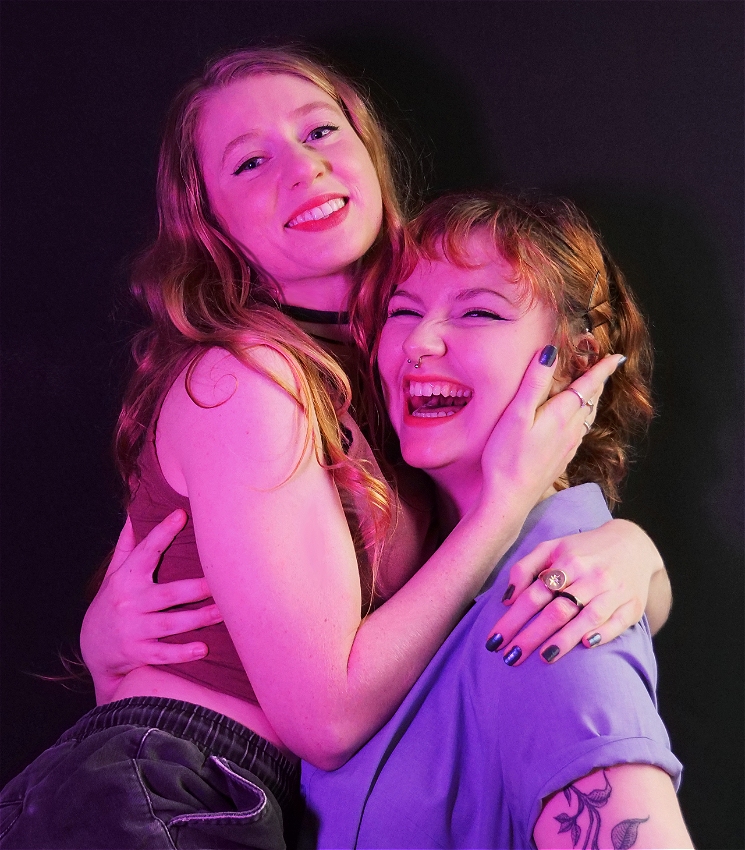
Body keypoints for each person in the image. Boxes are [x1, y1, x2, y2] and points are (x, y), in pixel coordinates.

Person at [0, 48, 667, 849]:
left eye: (321, 130)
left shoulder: (389, 384)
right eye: (250, 161)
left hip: (256, 800)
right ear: (210, 223)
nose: (302, 168)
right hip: (172, 786)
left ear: (370, 154)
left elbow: (484, 604)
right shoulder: (243, 381)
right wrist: (505, 501)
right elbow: (323, 715)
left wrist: (634, 559)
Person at [300, 191, 692, 849]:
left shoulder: (552, 609)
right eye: (403, 310)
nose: (420, 342)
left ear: (576, 357)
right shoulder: (400, 586)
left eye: (478, 311)